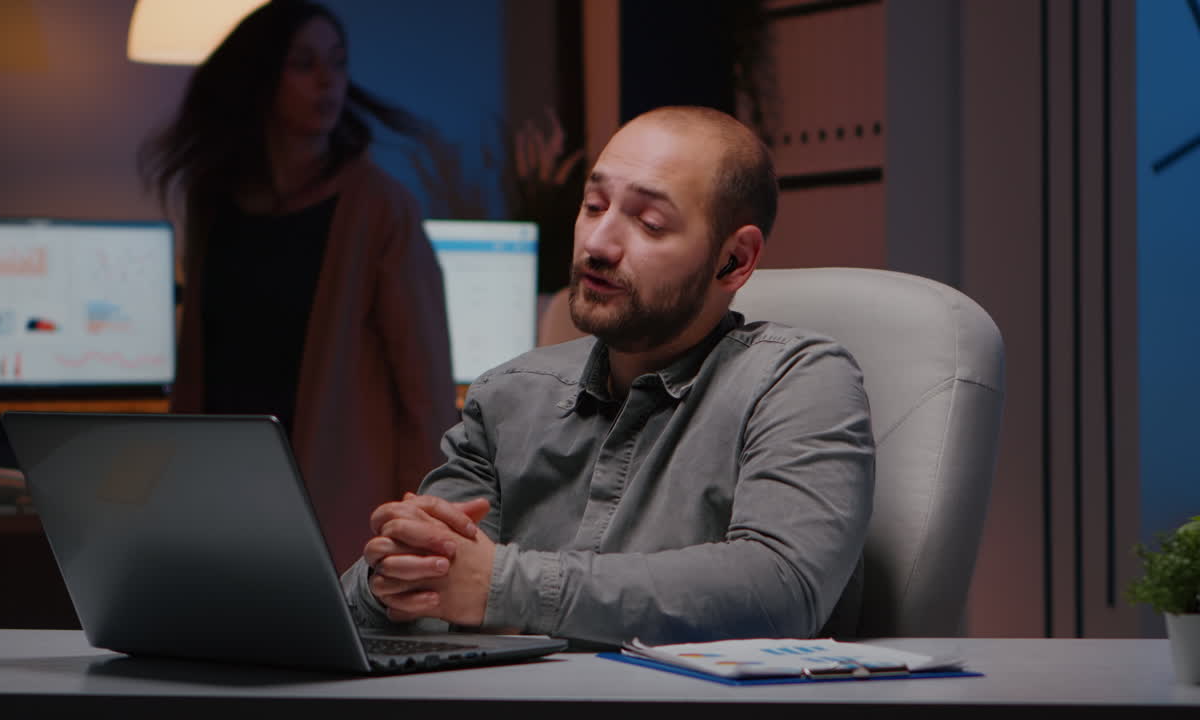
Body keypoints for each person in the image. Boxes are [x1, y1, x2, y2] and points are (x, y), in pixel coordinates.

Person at [340, 106, 876, 647]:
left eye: (649, 223)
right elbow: (436, 580)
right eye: (593, 206)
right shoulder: (508, 395)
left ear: (734, 260)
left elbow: (781, 592)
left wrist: (503, 586)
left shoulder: (797, 381)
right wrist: (392, 579)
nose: (597, 244)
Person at [140, 1, 456, 573]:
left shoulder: (378, 207)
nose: (327, 81)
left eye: (337, 63)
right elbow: (200, 367)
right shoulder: (214, 199)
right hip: (225, 494)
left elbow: (423, 388)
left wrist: (421, 519)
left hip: (334, 501)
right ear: (261, 78)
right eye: (303, 64)